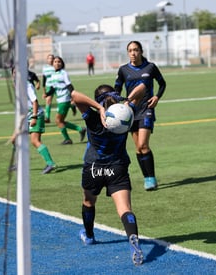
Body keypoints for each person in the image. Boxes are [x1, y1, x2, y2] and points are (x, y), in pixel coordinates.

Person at [72, 83, 147, 266]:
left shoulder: (93, 117)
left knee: (89, 202)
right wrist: (127, 100)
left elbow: (74, 94)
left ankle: (89, 236)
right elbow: (143, 88)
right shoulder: (126, 113)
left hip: (93, 168)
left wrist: (98, 107)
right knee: (124, 209)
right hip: (118, 167)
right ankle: (133, 240)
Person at [114, 41, 166, 191]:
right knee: (138, 148)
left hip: (146, 109)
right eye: (130, 50)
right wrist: (119, 102)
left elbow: (162, 84)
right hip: (130, 112)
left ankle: (151, 178)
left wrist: (157, 97)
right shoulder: (123, 70)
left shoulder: (150, 67)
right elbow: (117, 88)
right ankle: (147, 178)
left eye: (136, 50)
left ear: (141, 51)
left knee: (143, 144)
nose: (133, 53)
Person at [10, 67, 56, 174]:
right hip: (25, 116)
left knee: (35, 141)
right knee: (15, 140)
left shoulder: (27, 85)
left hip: (35, 115)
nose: (16, 74)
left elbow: (34, 101)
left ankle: (50, 163)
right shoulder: (16, 85)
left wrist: (34, 117)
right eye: (14, 72)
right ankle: (19, 164)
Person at [45, 56, 86, 145]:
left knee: (58, 121)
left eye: (59, 61)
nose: (57, 63)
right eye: (55, 62)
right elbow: (52, 88)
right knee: (61, 121)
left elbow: (69, 85)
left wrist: (73, 97)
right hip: (60, 100)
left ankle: (68, 139)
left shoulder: (63, 73)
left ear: (62, 63)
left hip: (65, 99)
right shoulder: (52, 75)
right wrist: (47, 94)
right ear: (52, 64)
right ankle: (80, 129)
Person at [42, 54, 56, 123]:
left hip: (57, 86)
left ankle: (72, 106)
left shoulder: (56, 66)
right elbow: (44, 79)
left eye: (52, 58)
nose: (50, 60)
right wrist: (44, 90)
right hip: (49, 86)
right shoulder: (44, 68)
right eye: (49, 58)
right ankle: (47, 118)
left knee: (63, 101)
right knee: (48, 101)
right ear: (47, 60)